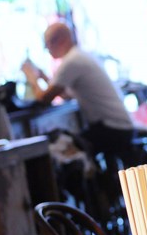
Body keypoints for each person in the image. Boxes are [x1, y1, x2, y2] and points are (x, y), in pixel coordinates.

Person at [22, 21, 136, 157]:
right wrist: (42, 77)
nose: (47, 49)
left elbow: (44, 99)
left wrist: (31, 78)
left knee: (62, 151)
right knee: (68, 145)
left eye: (48, 44)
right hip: (119, 126)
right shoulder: (80, 56)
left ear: (62, 39)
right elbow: (65, 94)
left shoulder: (72, 61)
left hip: (112, 128)